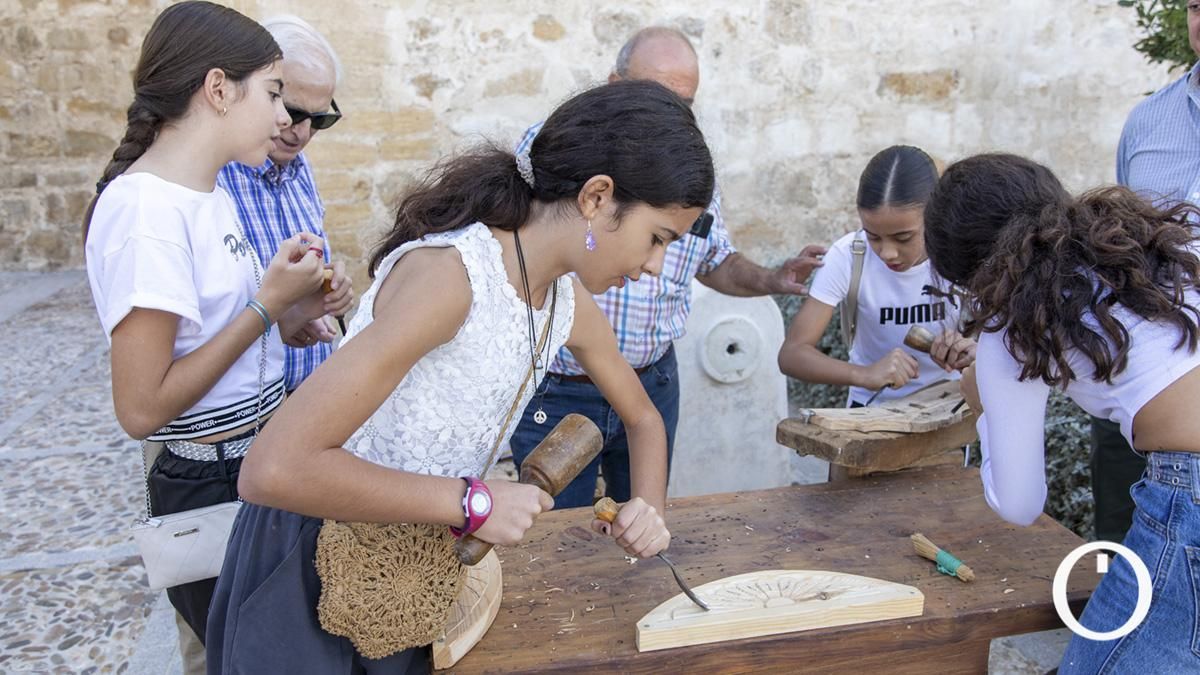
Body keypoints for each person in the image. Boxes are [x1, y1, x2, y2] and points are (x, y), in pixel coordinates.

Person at [206, 79, 715, 673]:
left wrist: (648, 507)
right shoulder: (451, 280)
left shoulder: (564, 301)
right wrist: (473, 501)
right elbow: (273, 469)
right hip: (310, 561)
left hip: (411, 567)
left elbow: (643, 416)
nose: (655, 266)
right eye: (656, 239)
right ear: (597, 197)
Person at [80, 1, 340, 670]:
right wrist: (265, 306)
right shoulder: (146, 210)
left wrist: (288, 318)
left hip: (258, 460)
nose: (284, 119)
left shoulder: (207, 194)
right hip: (209, 480)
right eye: (274, 94)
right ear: (219, 89)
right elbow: (141, 408)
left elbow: (219, 341)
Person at [509, 26, 825, 508]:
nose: (651, 266)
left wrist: (770, 278)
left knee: (637, 525)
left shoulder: (687, 167)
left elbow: (713, 259)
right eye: (654, 238)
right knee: (557, 531)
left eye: (685, 103)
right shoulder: (553, 149)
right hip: (559, 387)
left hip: (652, 380)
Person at [924, 153, 1200, 673]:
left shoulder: (1012, 332)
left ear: (966, 270)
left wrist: (984, 406)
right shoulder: (1156, 253)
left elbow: (1019, 503)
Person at [1091, 1, 1200, 543]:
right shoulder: (1148, 120)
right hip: (1142, 371)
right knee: (1121, 541)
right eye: (1196, 6)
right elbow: (1121, 246)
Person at [217, 15, 353, 393]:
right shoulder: (213, 178)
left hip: (307, 394)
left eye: (319, 119)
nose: (302, 133)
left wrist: (325, 292)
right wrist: (283, 315)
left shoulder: (299, 167)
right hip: (246, 406)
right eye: (293, 113)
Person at [778, 145, 973, 406]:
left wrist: (971, 351)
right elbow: (792, 354)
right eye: (873, 236)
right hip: (870, 412)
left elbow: (1005, 342)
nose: (887, 253)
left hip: (949, 409)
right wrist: (864, 374)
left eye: (903, 238)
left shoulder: (962, 253)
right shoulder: (849, 256)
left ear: (935, 215)